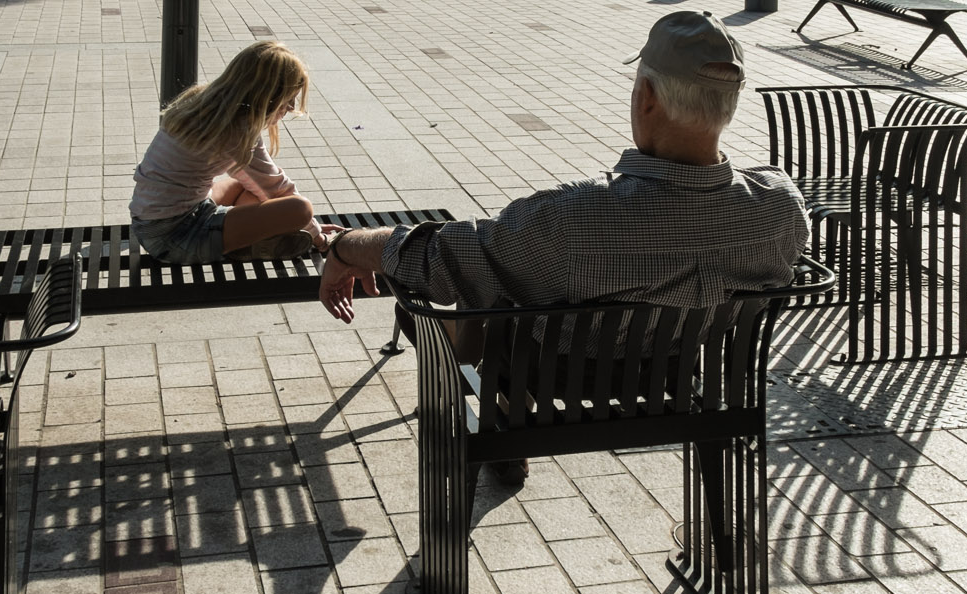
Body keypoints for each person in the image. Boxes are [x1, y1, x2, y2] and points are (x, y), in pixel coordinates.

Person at [316, 10, 810, 484]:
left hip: (560, 381)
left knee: (497, 282)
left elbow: (441, 258)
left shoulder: (572, 217)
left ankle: (497, 401)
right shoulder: (779, 207)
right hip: (680, 384)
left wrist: (348, 248)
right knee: (511, 277)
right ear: (729, 105)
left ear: (647, 98)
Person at [131, 41, 340, 263]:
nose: (290, 107)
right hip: (175, 238)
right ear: (266, 95)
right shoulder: (237, 129)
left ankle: (240, 238)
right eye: (288, 99)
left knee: (246, 187)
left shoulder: (206, 103)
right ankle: (241, 245)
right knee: (301, 209)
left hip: (151, 223)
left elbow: (261, 187)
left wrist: (306, 226)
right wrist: (319, 238)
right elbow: (277, 189)